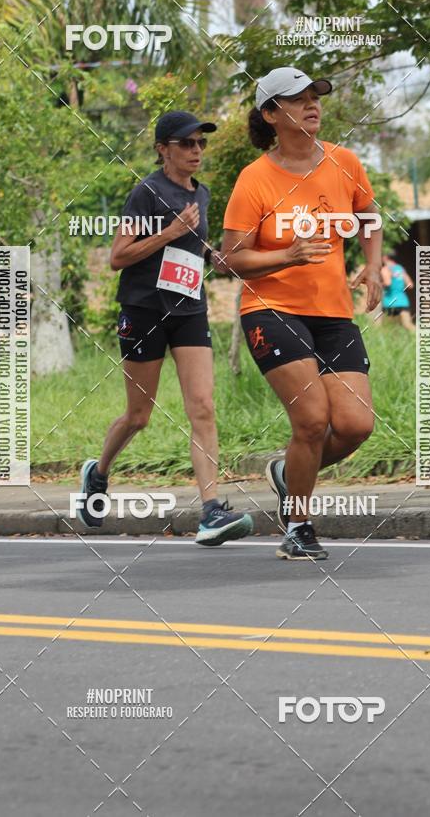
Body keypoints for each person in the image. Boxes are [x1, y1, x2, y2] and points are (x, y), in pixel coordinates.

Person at [221, 67, 382, 560]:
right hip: (272, 309)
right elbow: (230, 256)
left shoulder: (344, 162)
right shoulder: (255, 180)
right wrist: (285, 256)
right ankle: (298, 525)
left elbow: (370, 217)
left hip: (333, 312)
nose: (312, 105)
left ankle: (289, 474)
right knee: (312, 421)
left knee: (355, 424)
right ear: (271, 114)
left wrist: (373, 267)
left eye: (315, 97)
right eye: (297, 99)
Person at [77, 110, 253, 545]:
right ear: (162, 149)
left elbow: (195, 246)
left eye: (201, 144)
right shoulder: (146, 193)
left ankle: (211, 510)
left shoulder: (205, 194)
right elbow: (119, 255)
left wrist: (212, 255)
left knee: (203, 407)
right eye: (186, 144)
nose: (196, 151)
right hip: (143, 311)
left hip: (190, 308)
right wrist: (169, 232)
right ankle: (97, 473)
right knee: (139, 415)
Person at [381, 252, 414, 331]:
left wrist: (378, 284)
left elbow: (388, 283)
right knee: (408, 325)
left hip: (390, 302)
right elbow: (410, 285)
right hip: (402, 301)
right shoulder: (400, 268)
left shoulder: (385, 269)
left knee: (389, 329)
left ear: (385, 257)